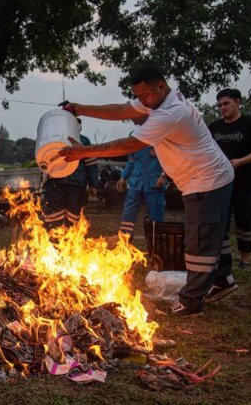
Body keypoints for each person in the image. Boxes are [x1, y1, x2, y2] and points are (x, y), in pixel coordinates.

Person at [59, 65, 235, 317]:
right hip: (215, 175)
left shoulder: (169, 113)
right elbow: (122, 110)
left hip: (206, 180)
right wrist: (81, 108)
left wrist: (84, 151)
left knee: (200, 237)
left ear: (160, 86)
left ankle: (191, 300)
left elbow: (130, 144)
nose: (141, 101)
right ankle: (222, 279)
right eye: (138, 96)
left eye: (145, 95)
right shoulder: (159, 101)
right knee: (214, 230)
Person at [209, 89, 251, 269]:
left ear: (238, 102)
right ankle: (223, 259)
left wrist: (241, 161)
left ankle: (245, 259)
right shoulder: (215, 127)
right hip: (220, 183)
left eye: (226, 104)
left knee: (245, 219)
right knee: (221, 221)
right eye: (220, 105)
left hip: (244, 181)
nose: (223, 108)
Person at [41, 118, 100, 229]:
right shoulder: (53, 141)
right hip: (54, 184)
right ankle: (53, 241)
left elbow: (91, 165)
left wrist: (93, 184)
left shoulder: (83, 142)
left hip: (76, 185)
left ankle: (71, 241)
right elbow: (44, 162)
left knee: (73, 216)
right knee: (53, 216)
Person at [117, 117, 167, 239]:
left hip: (154, 183)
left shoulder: (159, 133)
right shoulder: (134, 136)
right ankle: (125, 243)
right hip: (136, 183)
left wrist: (163, 176)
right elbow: (131, 160)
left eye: (134, 115)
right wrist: (123, 177)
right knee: (128, 213)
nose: (131, 118)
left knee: (155, 216)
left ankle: (156, 244)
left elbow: (169, 158)